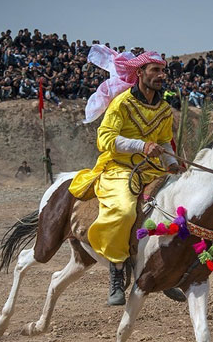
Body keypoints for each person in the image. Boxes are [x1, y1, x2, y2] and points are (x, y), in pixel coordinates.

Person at [68, 46, 184, 306]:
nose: (161, 75)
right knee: (123, 212)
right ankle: (117, 272)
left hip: (153, 169)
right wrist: (140, 146)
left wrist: (173, 163)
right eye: (155, 70)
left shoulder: (164, 108)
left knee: (178, 208)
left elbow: (165, 141)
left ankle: (163, 272)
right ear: (140, 72)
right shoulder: (122, 102)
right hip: (120, 167)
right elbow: (105, 138)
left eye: (163, 71)